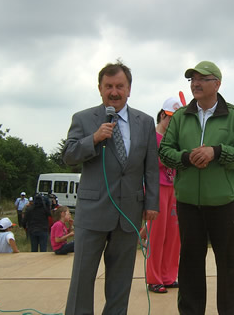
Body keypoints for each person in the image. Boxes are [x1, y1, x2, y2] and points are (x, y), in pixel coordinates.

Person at [63, 61, 159, 315]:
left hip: (128, 212)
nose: (114, 92)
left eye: (119, 86)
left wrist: (151, 203)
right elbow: (69, 155)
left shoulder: (145, 122)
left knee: (120, 281)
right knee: (82, 278)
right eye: (108, 86)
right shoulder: (84, 119)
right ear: (99, 88)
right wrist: (93, 138)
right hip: (93, 212)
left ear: (129, 89)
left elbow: (151, 167)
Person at [159, 61, 234, 315]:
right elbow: (164, 151)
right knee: (189, 263)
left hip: (224, 203)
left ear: (217, 84)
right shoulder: (180, 117)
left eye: (202, 79)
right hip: (188, 203)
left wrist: (217, 152)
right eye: (192, 80)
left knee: (227, 264)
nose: (196, 84)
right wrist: (185, 158)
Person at [145, 97, 182, 294]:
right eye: (172, 119)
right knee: (157, 235)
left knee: (174, 235)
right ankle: (154, 278)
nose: (174, 124)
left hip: (174, 188)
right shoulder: (151, 136)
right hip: (156, 188)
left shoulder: (175, 139)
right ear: (162, 115)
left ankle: (169, 276)